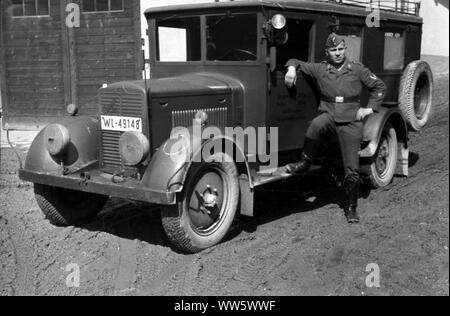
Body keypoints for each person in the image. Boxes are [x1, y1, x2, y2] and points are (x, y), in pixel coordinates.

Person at [284, 32, 386, 223]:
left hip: (351, 120)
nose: (338, 53)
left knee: (351, 169)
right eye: (334, 50)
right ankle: (305, 162)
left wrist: (369, 109)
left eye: (340, 49)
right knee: (315, 124)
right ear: (327, 52)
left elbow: (379, 87)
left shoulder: (356, 69)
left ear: (345, 50)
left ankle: (351, 207)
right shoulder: (320, 69)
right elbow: (295, 60)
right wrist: (291, 69)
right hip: (329, 115)